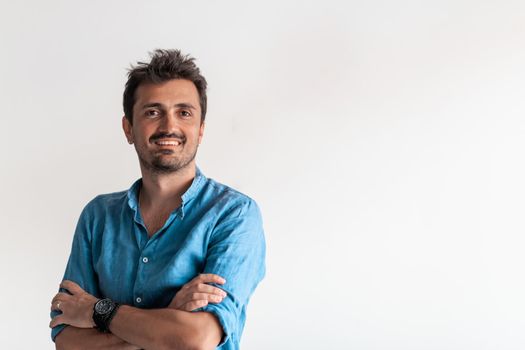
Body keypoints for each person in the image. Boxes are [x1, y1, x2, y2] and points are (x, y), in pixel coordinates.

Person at [49, 49, 266, 350]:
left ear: (200, 129)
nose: (169, 127)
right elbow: (67, 340)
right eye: (152, 112)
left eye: (184, 112)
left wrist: (98, 311)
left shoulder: (234, 214)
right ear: (128, 128)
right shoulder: (98, 216)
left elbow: (197, 338)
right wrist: (169, 323)